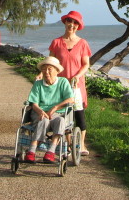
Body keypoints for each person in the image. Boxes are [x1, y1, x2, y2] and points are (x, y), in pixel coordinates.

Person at [48, 10, 92, 156]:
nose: (71, 25)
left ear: (78, 26)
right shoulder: (56, 42)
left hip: (76, 86)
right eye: (69, 21)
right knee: (63, 115)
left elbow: (86, 64)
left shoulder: (83, 43)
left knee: (79, 114)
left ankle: (82, 145)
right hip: (59, 85)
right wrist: (41, 75)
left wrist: (77, 76)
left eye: (75, 23)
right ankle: (68, 144)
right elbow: (51, 63)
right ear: (65, 22)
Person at [24, 56, 74, 164]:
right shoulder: (38, 84)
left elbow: (71, 99)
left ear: (57, 71)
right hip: (39, 113)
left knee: (61, 121)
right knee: (43, 120)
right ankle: (31, 150)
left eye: (49, 69)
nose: (46, 72)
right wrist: (41, 111)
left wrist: (55, 107)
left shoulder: (63, 82)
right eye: (44, 69)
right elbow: (34, 103)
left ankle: (51, 150)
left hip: (57, 114)